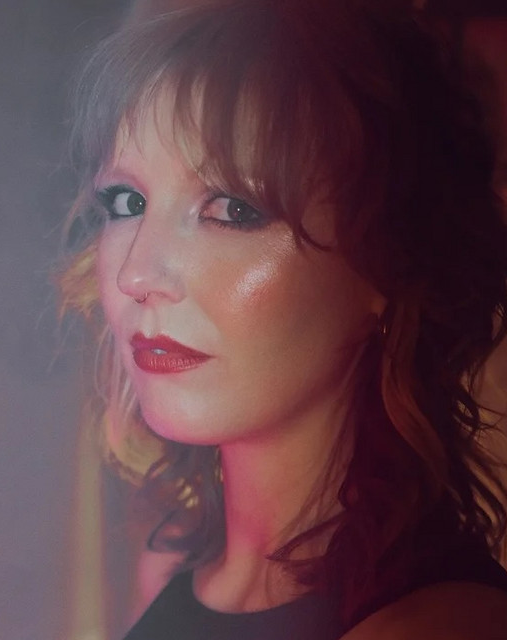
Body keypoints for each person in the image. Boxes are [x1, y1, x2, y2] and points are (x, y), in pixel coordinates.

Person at [59, 0, 507, 637]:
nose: (137, 274)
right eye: (128, 201)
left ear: (388, 263)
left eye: (232, 210)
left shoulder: (435, 624)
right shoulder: (182, 577)